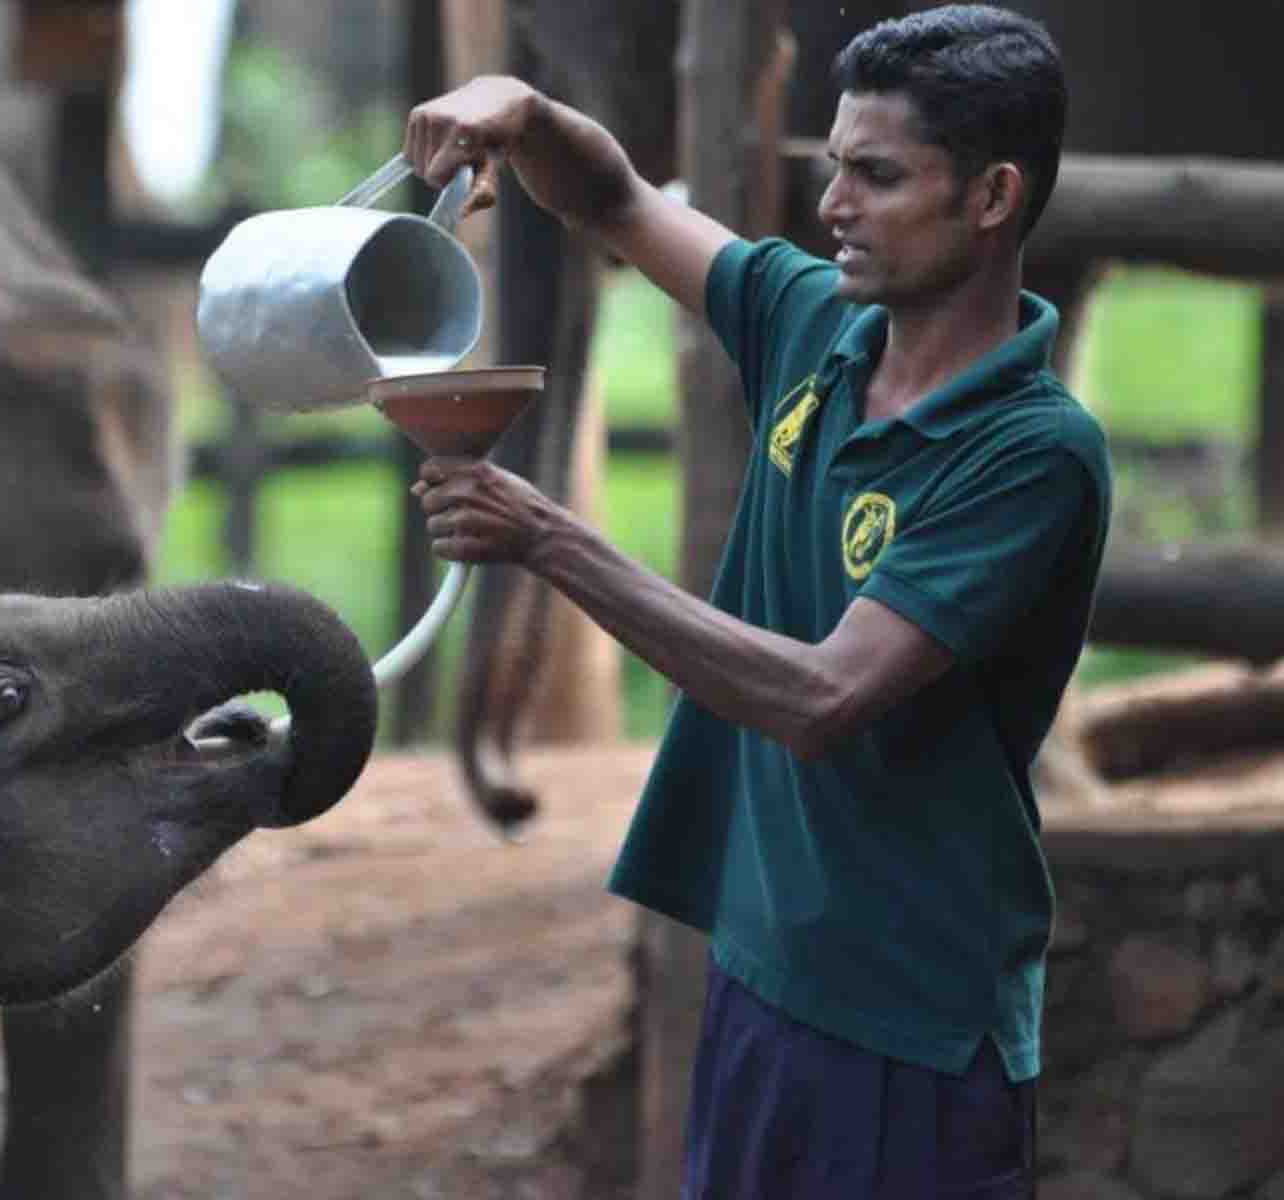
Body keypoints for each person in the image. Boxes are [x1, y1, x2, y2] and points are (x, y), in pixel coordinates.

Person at [403, 6, 1110, 1197]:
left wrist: (553, 541)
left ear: (991, 198)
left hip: (911, 1026)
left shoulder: (1030, 455)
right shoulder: (811, 323)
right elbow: (619, 201)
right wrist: (520, 115)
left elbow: (823, 695)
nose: (832, 204)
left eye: (876, 177)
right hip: (759, 976)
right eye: (834, 165)